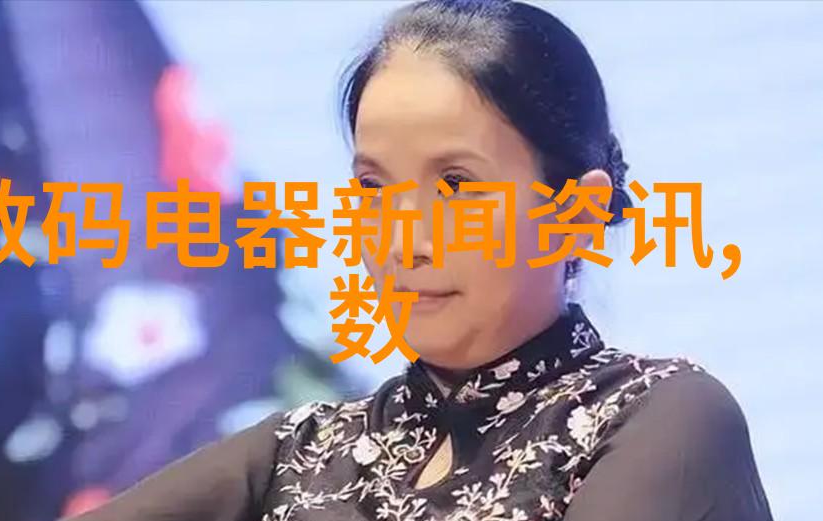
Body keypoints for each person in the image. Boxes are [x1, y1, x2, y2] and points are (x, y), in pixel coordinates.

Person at [67, 1, 773, 520]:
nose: (404, 238)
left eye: (456, 185)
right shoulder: (302, 452)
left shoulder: (662, 417)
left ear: (577, 214)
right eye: (374, 188)